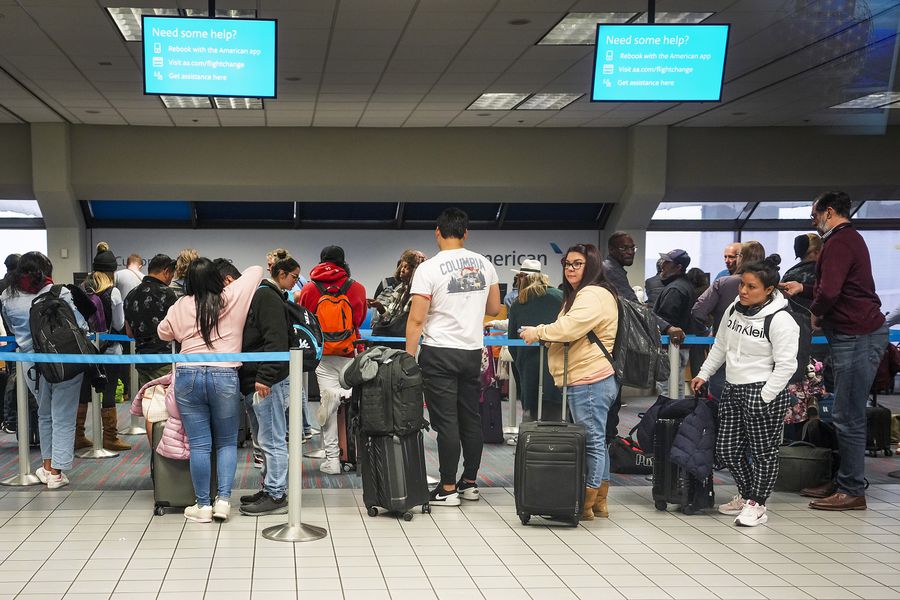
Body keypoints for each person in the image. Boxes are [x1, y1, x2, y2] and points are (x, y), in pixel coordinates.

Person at [781, 191, 889, 511]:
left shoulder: (841, 241)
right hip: (853, 335)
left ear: (829, 212)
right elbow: (837, 286)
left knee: (848, 416)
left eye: (814, 216)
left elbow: (831, 292)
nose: (813, 223)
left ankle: (852, 488)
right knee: (841, 414)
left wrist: (815, 312)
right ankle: (844, 479)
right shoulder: (846, 240)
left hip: (857, 336)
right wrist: (804, 288)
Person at [691, 257, 799, 527]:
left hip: (763, 390)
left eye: (752, 287)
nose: (743, 291)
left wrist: (765, 395)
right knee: (727, 450)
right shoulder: (734, 309)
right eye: (742, 284)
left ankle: (758, 503)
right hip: (733, 387)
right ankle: (748, 495)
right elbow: (721, 346)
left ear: (769, 290)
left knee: (763, 452)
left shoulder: (781, 319)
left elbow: (787, 365)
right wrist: (703, 373)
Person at [406, 208, 500, 506]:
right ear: (466, 233)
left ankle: (447, 488)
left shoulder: (429, 268)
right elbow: (495, 308)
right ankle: (469, 483)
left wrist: (409, 358)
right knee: (471, 418)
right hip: (472, 352)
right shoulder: (485, 264)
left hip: (439, 353)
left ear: (437, 232)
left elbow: (417, 319)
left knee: (446, 422)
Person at [158, 258, 264, 523]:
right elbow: (255, 269)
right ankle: (224, 502)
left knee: (199, 445)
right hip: (225, 375)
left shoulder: (181, 304)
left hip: (188, 375)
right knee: (227, 442)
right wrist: (227, 284)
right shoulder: (230, 298)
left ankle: (203, 505)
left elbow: (163, 333)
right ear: (217, 280)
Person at [520, 243, 620, 521]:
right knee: (598, 439)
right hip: (592, 376)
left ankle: (586, 503)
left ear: (592, 266)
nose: (571, 269)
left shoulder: (591, 294)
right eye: (568, 263)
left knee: (592, 441)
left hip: (589, 378)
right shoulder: (588, 293)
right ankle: (599, 500)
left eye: (578, 264)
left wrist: (537, 332)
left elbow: (569, 328)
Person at [1, 252, 88, 489]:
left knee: (45, 413)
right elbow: (80, 325)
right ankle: (56, 472)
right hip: (65, 361)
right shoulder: (61, 293)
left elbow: (11, 329)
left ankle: (48, 466)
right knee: (64, 414)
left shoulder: (7, 297)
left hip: (30, 363)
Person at [239, 256, 300, 516]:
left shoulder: (269, 297)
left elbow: (274, 341)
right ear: (281, 273)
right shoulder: (269, 297)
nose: (297, 282)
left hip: (266, 380)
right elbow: (274, 339)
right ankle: (271, 489)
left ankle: (276, 494)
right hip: (265, 379)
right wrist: (264, 377)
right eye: (295, 277)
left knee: (271, 438)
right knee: (265, 438)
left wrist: (264, 376)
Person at [298, 245, 367, 475]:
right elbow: (359, 319)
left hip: (323, 355)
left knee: (328, 407)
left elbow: (304, 321)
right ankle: (355, 455)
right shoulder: (357, 288)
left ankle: (332, 460)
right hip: (351, 352)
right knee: (354, 403)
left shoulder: (309, 288)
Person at [692, 241, 768, 400]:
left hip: (726, 357)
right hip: (761, 361)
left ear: (741, 257)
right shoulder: (772, 287)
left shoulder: (724, 283)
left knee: (722, 411)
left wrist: (713, 322)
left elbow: (698, 311)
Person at [75, 242, 131, 453]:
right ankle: (109, 437)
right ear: (112, 271)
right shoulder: (113, 292)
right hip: (109, 352)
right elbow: (118, 324)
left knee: (82, 393)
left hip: (84, 352)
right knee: (107, 393)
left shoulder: (81, 289)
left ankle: (78, 435)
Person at [507, 260, 563, 422]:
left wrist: (519, 362)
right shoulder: (560, 297)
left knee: (531, 415)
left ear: (522, 278)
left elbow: (512, 341)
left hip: (529, 364)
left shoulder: (520, 302)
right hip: (558, 362)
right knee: (559, 413)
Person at [601, 232, 639, 441]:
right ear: (612, 250)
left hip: (609, 349)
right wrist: (667, 326)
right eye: (624, 248)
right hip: (609, 349)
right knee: (608, 406)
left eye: (632, 248)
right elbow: (632, 305)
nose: (630, 252)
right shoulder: (610, 270)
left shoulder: (613, 269)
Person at [124, 254, 177, 387]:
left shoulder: (131, 294)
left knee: (147, 402)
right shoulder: (167, 294)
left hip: (141, 360)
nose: (172, 278)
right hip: (164, 360)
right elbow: (176, 329)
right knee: (163, 403)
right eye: (172, 274)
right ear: (166, 271)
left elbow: (129, 333)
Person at [653, 249, 698, 397]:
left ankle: (668, 418)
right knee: (676, 386)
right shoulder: (684, 285)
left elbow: (667, 321)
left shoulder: (675, 289)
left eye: (667, 262)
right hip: (681, 346)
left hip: (671, 346)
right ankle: (676, 416)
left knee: (667, 387)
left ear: (678, 267)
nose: (662, 265)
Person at [370, 249, 424, 348]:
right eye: (402, 266)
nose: (402, 270)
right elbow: (389, 317)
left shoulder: (421, 294)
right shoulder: (401, 290)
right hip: (397, 336)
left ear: (415, 271)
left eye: (407, 268)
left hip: (410, 341)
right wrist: (380, 307)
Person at [781, 233, 822, 312]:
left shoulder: (789, 274)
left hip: (792, 321)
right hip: (818, 322)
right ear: (817, 252)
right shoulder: (823, 272)